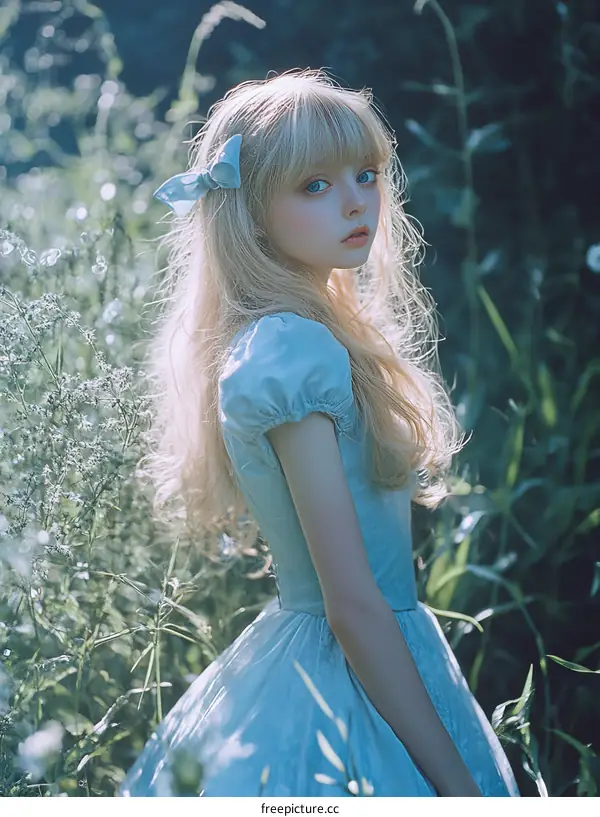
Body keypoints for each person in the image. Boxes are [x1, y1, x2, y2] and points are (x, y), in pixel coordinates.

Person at [118, 68, 521, 797]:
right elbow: (352, 604)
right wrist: (459, 790)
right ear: (251, 214)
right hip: (347, 668)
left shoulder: (312, 333)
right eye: (314, 185)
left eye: (366, 174)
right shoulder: (289, 351)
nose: (356, 201)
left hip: (371, 653)